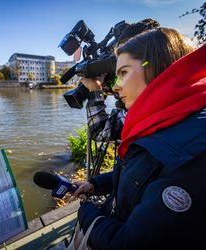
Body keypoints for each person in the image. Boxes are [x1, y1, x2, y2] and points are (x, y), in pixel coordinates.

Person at [73, 27, 206, 249]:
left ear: (156, 69)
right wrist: (97, 184)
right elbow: (142, 172)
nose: (115, 86)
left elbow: (127, 243)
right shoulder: (164, 118)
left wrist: (86, 211)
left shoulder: (190, 153)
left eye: (123, 73)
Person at [82, 18, 160, 143]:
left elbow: (100, 131)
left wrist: (95, 90)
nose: (115, 87)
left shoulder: (147, 113)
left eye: (124, 72)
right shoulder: (167, 101)